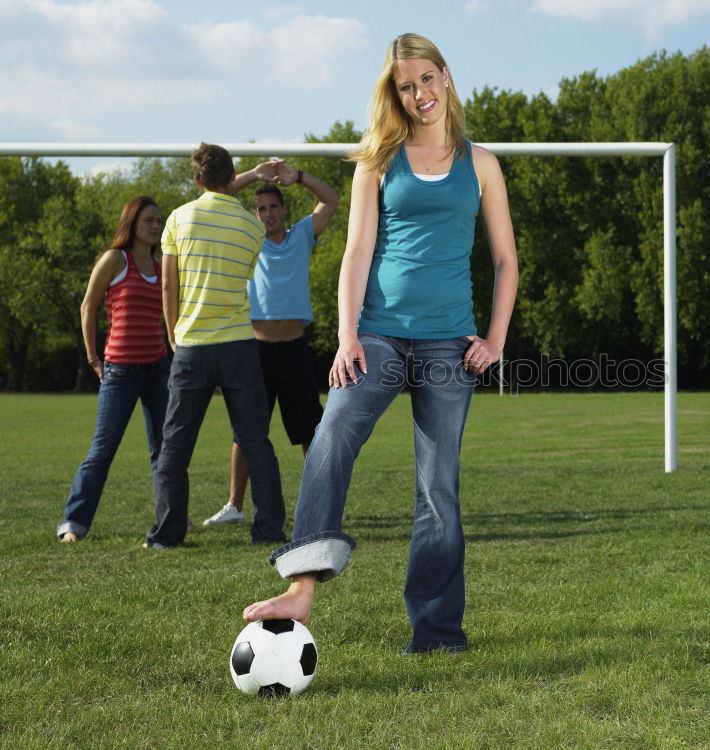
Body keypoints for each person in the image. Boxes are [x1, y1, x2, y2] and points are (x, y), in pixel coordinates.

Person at [243, 33, 519, 655]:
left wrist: (495, 338)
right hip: (378, 336)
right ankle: (302, 585)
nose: (418, 92)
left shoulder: (481, 164)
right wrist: (346, 338)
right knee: (333, 431)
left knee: (438, 488)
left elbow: (505, 260)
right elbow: (357, 253)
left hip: (450, 344)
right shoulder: (378, 159)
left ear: (446, 77)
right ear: (393, 94)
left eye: (426, 78)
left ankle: (438, 632)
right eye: (404, 84)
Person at [144, 143, 286, 549]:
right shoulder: (252, 226)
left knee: (175, 446)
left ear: (196, 179)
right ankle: (269, 530)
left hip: (191, 345)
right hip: (240, 345)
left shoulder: (178, 218)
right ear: (232, 175)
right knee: (256, 441)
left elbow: (169, 283)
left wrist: (172, 331)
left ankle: (167, 535)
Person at [202, 160, 339, 527]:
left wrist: (299, 178)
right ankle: (235, 504)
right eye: (260, 208)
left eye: (272, 207)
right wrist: (254, 175)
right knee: (246, 431)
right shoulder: (247, 236)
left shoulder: (302, 235)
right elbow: (217, 193)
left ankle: (317, 505)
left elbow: (331, 199)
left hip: (294, 349)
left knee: (309, 431)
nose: (266, 214)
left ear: (283, 209)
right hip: (255, 350)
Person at [57, 196, 172, 542]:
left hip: (158, 369)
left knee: (165, 451)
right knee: (102, 451)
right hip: (120, 370)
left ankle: (172, 518)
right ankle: (73, 524)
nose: (155, 226)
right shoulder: (114, 259)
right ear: (132, 223)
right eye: (148, 220)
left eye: (158, 221)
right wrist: (93, 358)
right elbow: (87, 306)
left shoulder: (162, 265)